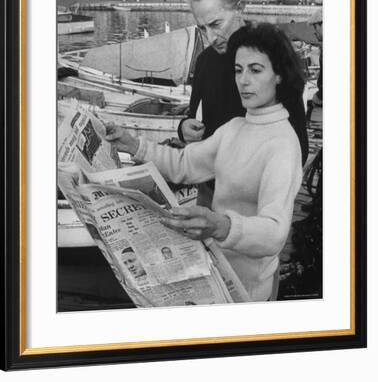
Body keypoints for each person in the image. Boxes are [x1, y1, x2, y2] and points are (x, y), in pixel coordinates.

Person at [106, 23, 304, 302]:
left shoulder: (282, 144)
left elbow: (274, 232)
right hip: (215, 271)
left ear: (280, 76)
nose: (243, 80)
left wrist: (222, 226)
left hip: (249, 290)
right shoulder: (235, 127)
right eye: (238, 70)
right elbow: (183, 164)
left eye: (255, 70)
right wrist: (133, 145)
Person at [179, 0, 309, 168]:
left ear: (240, 8)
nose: (211, 37)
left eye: (216, 24)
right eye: (203, 29)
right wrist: (184, 129)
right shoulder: (205, 60)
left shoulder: (274, 53)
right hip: (210, 186)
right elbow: (194, 117)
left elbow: (299, 145)